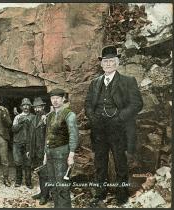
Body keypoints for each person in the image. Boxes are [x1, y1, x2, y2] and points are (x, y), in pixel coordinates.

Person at [85, 45, 143, 206]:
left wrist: (120, 117)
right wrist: (92, 117)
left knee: (120, 164)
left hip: (119, 129)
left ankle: (121, 196)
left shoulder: (128, 81)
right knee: (99, 164)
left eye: (111, 61)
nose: (108, 64)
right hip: (99, 131)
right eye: (105, 61)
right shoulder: (94, 83)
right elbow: (88, 104)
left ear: (117, 63)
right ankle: (100, 194)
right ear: (101, 64)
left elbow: (137, 104)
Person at [43, 88, 79, 208]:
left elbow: (73, 135)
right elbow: (47, 134)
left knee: (62, 185)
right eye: (53, 98)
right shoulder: (50, 116)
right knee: (53, 184)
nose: (55, 101)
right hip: (50, 154)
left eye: (58, 98)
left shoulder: (69, 114)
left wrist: (71, 154)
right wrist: (45, 154)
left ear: (63, 99)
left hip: (62, 153)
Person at [30, 97, 51, 205]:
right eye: (35, 108)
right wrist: (30, 150)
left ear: (43, 107)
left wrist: (46, 152)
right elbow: (31, 136)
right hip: (35, 150)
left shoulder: (47, 117)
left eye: (39, 107)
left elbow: (50, 134)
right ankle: (42, 192)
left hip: (44, 150)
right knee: (40, 173)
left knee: (45, 174)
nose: (37, 109)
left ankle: (45, 196)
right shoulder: (34, 119)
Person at [12, 98, 35, 189]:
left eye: (27, 105)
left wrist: (29, 124)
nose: (26, 107)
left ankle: (28, 182)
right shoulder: (17, 117)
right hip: (17, 142)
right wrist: (20, 123)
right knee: (18, 162)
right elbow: (13, 129)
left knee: (28, 163)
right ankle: (18, 181)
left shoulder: (33, 117)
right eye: (24, 105)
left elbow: (35, 131)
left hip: (29, 143)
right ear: (21, 107)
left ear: (30, 107)